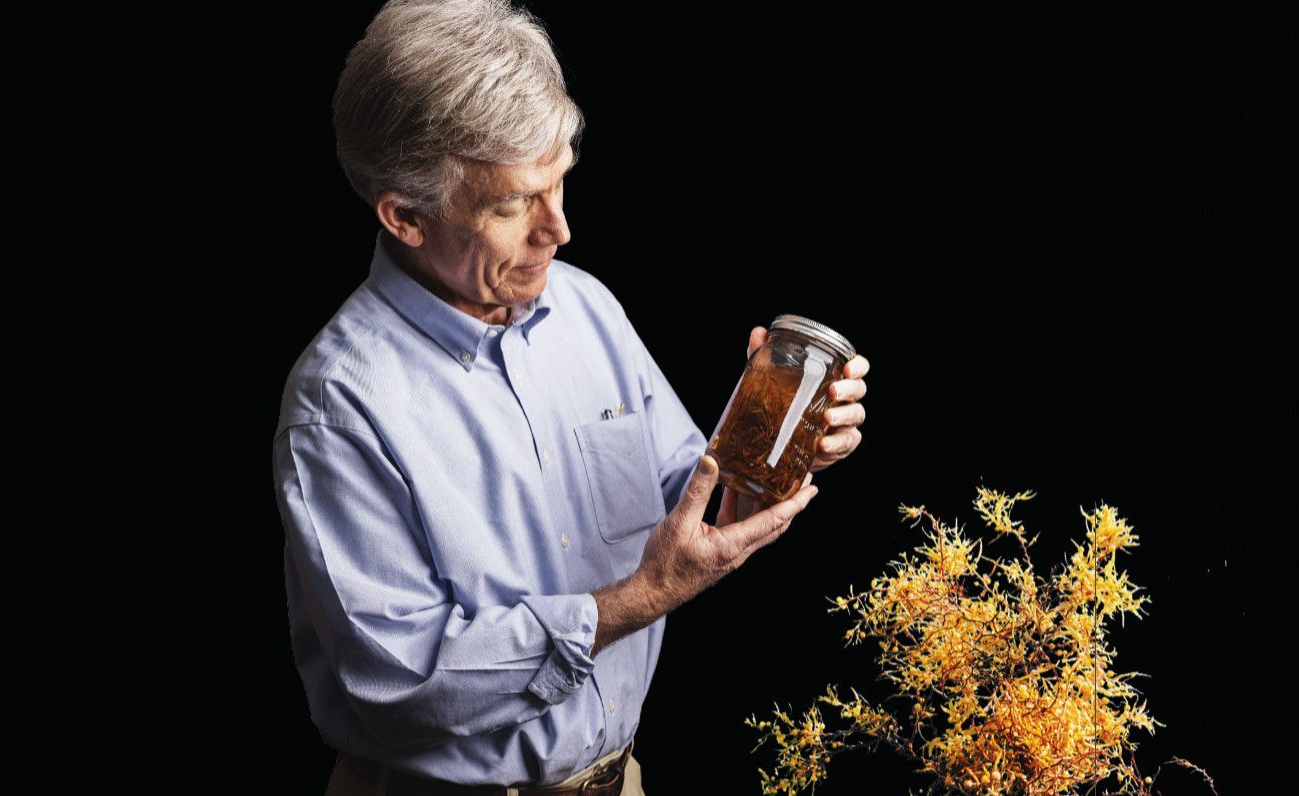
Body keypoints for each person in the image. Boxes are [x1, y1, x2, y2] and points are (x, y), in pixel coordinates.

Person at [272, 2, 871, 794]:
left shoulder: (583, 307)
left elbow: (689, 508)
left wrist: (774, 449)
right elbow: (396, 687)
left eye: (559, 182)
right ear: (406, 217)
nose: (558, 228)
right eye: (513, 204)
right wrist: (638, 598)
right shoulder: (340, 403)